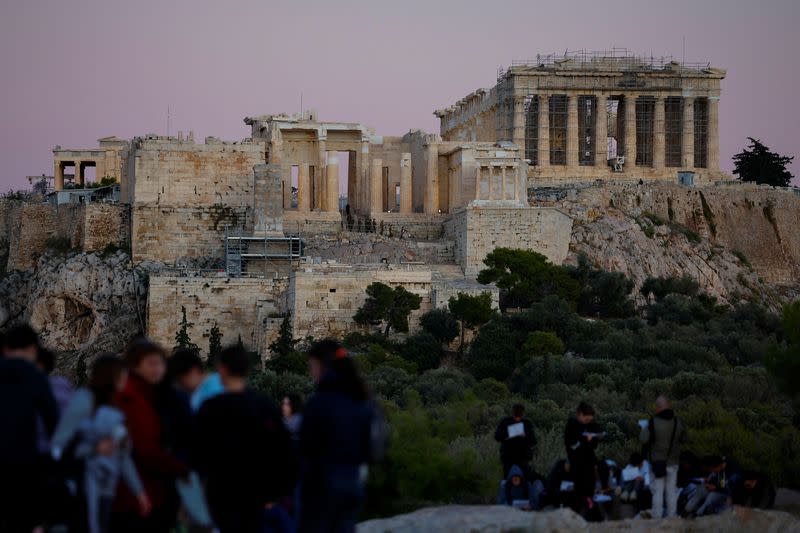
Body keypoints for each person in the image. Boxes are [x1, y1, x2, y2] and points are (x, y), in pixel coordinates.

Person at [195, 345, 297, 533]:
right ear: (247, 370)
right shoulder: (264, 405)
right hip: (256, 495)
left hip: (221, 494)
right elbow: (286, 453)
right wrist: (274, 494)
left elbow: (197, 455)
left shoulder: (210, 409)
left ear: (222, 370)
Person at [52, 354, 151, 533]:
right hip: (82, 487)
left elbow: (122, 455)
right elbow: (59, 445)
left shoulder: (117, 406)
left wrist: (139, 491)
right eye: (121, 374)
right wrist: (93, 449)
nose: (125, 379)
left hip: (107, 489)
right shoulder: (84, 400)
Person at [111, 339, 189, 533]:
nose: (158, 369)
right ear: (135, 365)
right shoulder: (130, 397)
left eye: (160, 363)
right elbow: (145, 448)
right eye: (152, 363)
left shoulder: (163, 395)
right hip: (135, 489)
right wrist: (179, 467)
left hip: (155, 488)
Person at [298, 339, 375, 533]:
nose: (311, 372)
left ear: (321, 366)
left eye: (312, 366)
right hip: (353, 484)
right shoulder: (362, 398)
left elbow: (306, 449)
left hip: (322, 486)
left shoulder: (320, 401)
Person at [0, 324, 59, 533]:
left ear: (6, 350)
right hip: (23, 465)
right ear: (34, 350)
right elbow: (53, 421)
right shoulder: (36, 378)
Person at [639, 395, 687, 519]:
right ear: (669, 406)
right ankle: (672, 517)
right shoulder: (678, 421)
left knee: (657, 491)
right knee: (671, 491)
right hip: (673, 462)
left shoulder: (653, 421)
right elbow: (685, 438)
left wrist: (644, 428)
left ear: (658, 407)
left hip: (657, 462)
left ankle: (657, 517)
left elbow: (643, 439)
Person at [564, 402, 602, 513]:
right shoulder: (572, 425)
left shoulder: (591, 426)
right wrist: (585, 440)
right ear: (580, 415)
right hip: (577, 463)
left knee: (590, 490)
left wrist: (595, 438)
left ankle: (591, 513)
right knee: (578, 491)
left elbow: (594, 444)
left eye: (589, 420)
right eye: (586, 419)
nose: (588, 422)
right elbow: (571, 445)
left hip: (589, 462)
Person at [167, 346, 223, 411]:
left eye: (180, 381)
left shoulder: (214, 392)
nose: (181, 386)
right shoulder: (218, 381)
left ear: (193, 371)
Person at [494, 404, 537, 478]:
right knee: (508, 480)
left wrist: (524, 436)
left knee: (524, 481)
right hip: (508, 458)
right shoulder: (505, 422)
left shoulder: (526, 424)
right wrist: (509, 433)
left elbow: (533, 441)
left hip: (523, 458)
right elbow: (497, 436)